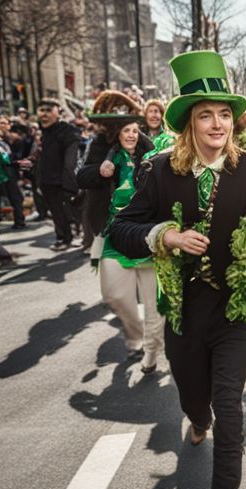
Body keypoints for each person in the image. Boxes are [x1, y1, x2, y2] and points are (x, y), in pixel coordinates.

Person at [109, 51, 246, 489]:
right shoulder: (159, 170)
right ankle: (196, 416)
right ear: (188, 124)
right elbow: (119, 229)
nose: (217, 124)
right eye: (205, 115)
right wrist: (166, 237)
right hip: (185, 312)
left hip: (236, 311)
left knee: (230, 405)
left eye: (224, 114)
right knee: (196, 396)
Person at [76, 94, 161, 371]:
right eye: (126, 130)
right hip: (111, 231)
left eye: (135, 129)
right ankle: (135, 334)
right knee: (114, 294)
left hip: (145, 230)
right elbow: (81, 176)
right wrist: (100, 172)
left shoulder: (149, 149)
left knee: (152, 299)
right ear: (116, 132)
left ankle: (150, 350)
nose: (132, 135)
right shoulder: (101, 147)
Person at [33, 99, 81, 251]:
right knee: (56, 213)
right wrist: (39, 181)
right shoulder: (44, 132)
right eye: (41, 110)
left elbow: (70, 162)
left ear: (58, 112)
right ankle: (63, 237)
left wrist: (70, 185)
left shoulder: (67, 131)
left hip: (62, 181)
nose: (44, 114)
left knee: (65, 212)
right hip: (47, 181)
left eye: (48, 110)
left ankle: (68, 238)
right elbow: (42, 159)